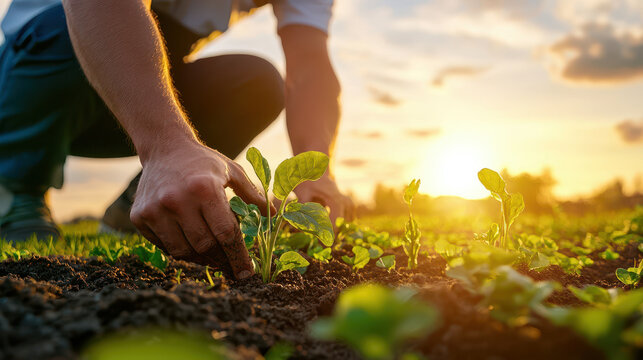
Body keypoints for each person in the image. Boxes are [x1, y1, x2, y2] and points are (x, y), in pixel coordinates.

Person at [0, 0, 354, 279]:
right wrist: (164, 143)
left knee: (256, 86)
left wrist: (317, 169)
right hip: (35, 81)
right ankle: (17, 189)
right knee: (65, 26)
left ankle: (133, 208)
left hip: (135, 86)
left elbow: (310, 66)